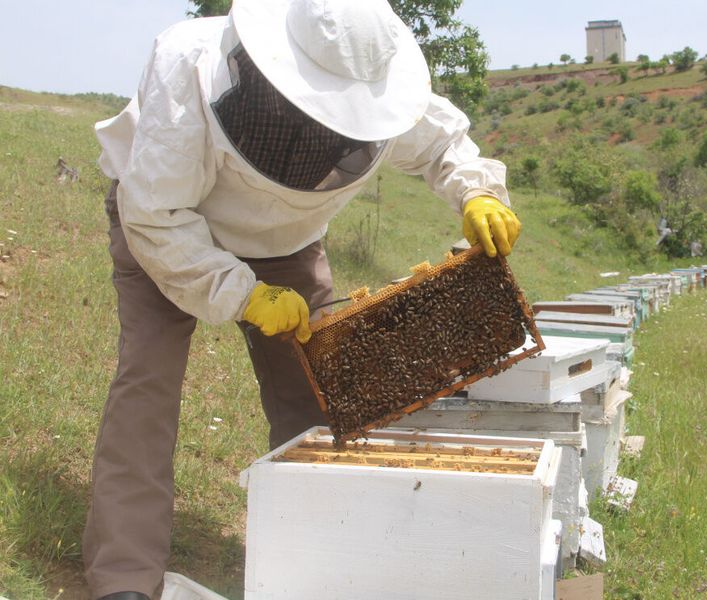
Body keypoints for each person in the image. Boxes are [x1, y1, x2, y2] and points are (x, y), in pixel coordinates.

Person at [84, 0, 520, 598]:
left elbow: (444, 142)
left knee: (313, 391)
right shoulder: (186, 61)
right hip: (166, 226)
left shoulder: (378, 84)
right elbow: (156, 215)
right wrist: (239, 293)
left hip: (286, 243)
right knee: (148, 380)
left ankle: (321, 552)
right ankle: (124, 576)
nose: (326, 130)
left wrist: (477, 193)